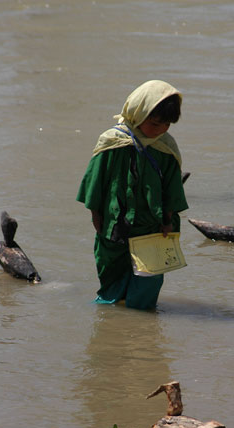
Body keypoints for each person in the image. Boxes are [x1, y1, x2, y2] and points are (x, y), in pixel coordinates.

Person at [76, 80, 189, 310]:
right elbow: (95, 182)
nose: (161, 130)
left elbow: (172, 187)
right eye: (155, 123)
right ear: (138, 114)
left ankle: (140, 315)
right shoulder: (111, 142)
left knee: (149, 279)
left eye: (167, 124)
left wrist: (167, 220)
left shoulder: (166, 148)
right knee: (111, 275)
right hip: (114, 224)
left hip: (152, 226)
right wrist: (95, 215)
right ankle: (114, 314)